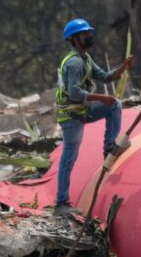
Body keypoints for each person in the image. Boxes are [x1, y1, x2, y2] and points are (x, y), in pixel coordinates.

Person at [53, 18, 134, 218]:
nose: (89, 37)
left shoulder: (85, 59)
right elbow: (74, 93)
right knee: (69, 158)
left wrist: (122, 68)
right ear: (73, 39)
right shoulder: (74, 63)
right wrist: (101, 97)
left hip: (82, 109)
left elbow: (105, 77)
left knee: (114, 105)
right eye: (84, 34)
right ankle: (61, 204)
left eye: (89, 33)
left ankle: (109, 148)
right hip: (71, 115)